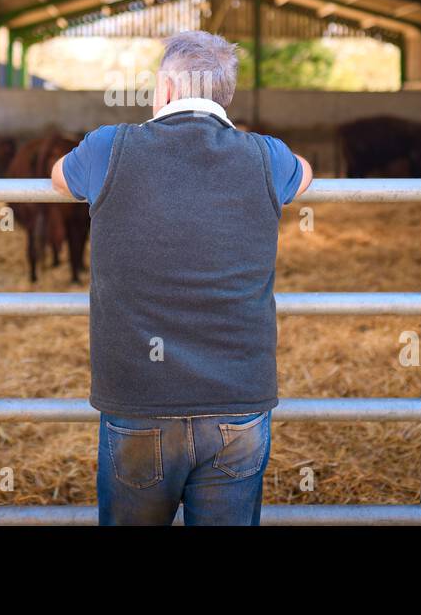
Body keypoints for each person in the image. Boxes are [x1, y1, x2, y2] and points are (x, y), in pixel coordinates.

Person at [51, 30, 313, 525]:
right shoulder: (267, 156)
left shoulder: (110, 146)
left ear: (164, 88)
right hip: (238, 404)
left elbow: (59, 178)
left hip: (140, 403)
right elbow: (305, 172)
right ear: (226, 97)